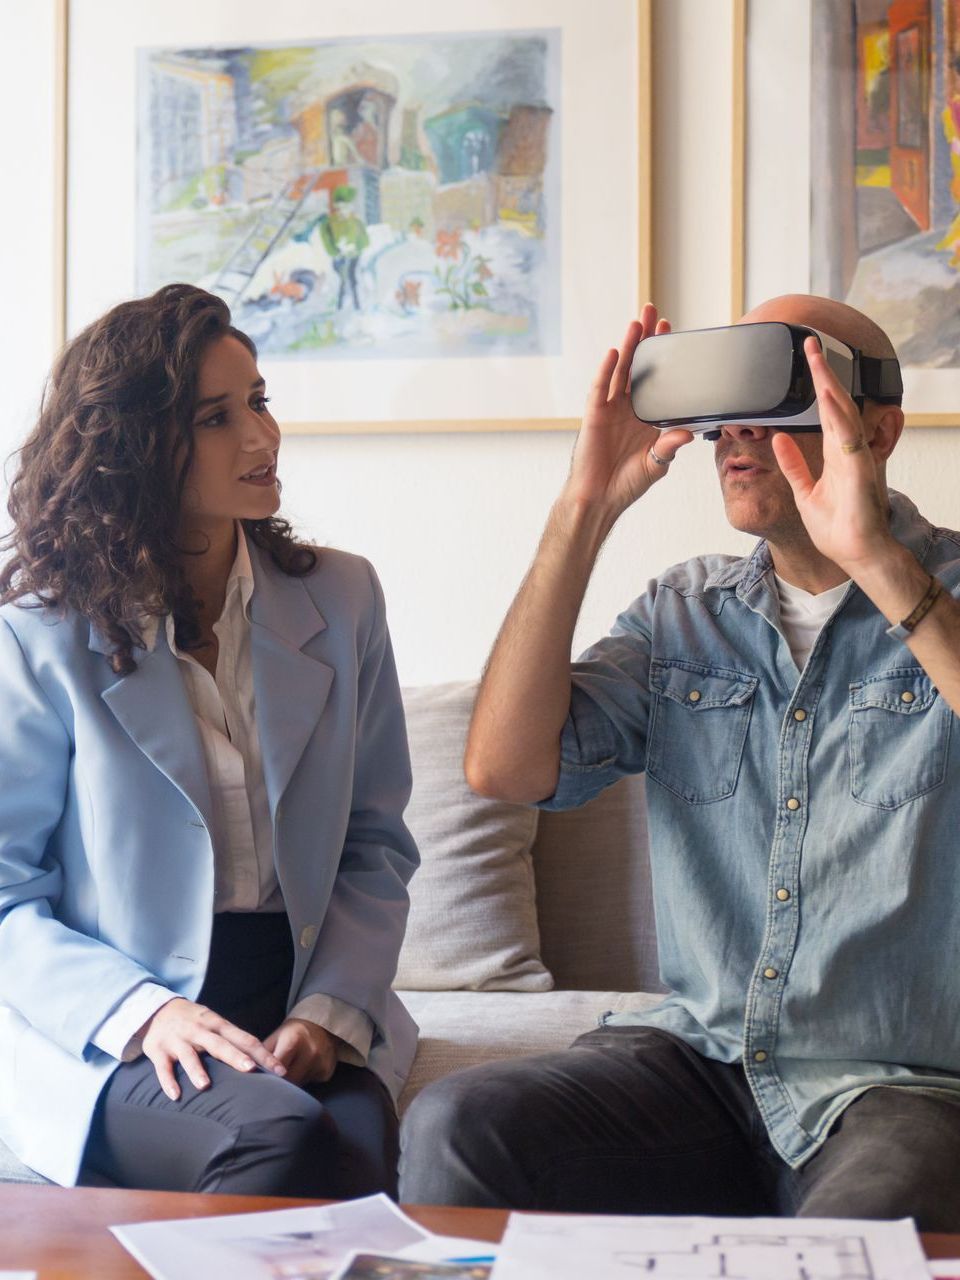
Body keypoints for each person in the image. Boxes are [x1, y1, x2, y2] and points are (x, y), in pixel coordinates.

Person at [399, 294, 960, 1229]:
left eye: (778, 400)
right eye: (721, 415)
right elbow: (504, 768)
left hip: (899, 1084)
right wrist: (586, 505)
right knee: (459, 1122)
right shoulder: (682, 614)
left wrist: (874, 560)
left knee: (868, 1218)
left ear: (878, 427)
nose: (734, 437)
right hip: (698, 1061)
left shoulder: (946, 600)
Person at [0, 283, 418, 1195]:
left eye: (260, 402)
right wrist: (143, 1015)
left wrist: (329, 1012)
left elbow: (375, 844)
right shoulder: (39, 632)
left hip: (298, 995)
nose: (263, 438)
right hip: (118, 1024)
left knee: (355, 1152)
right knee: (274, 1141)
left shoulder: (342, 600)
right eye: (218, 417)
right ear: (138, 446)